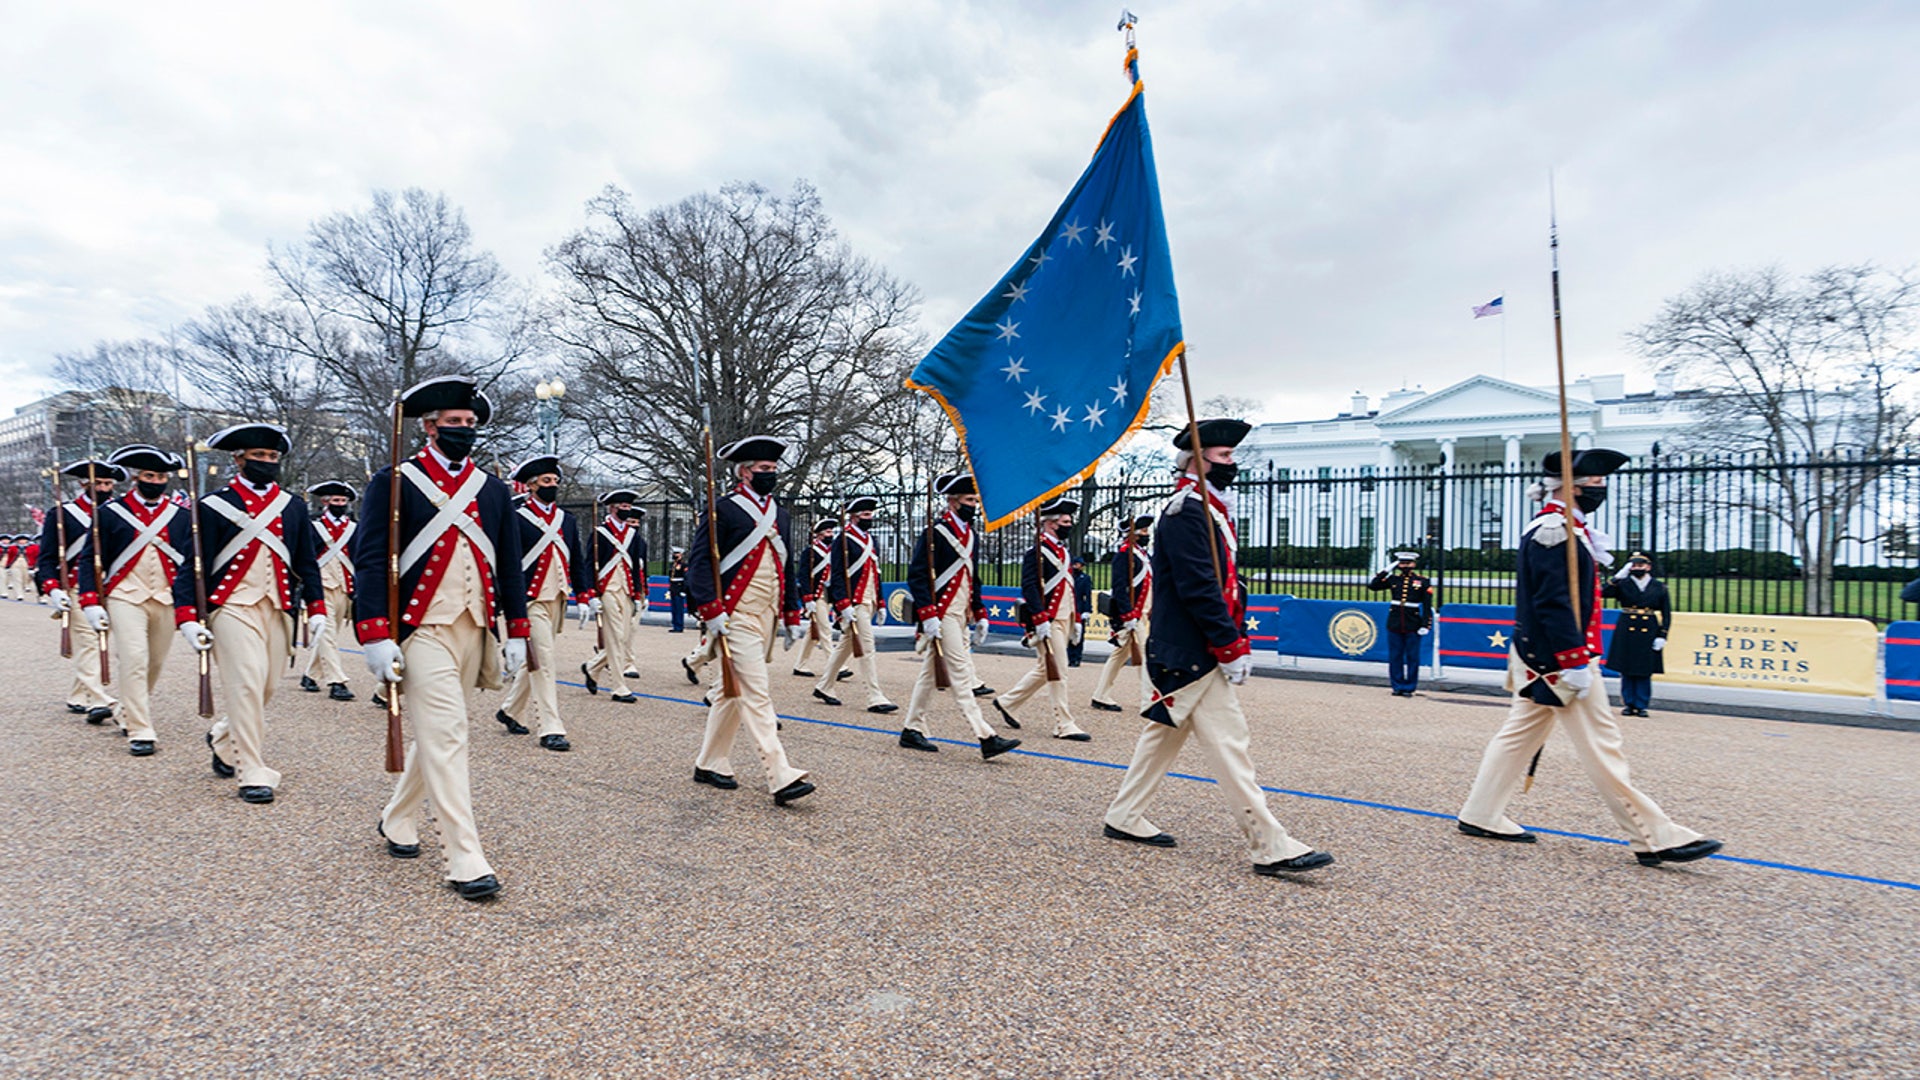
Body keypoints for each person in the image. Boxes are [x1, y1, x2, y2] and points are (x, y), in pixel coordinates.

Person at [1456, 449, 1722, 868]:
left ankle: (1481, 813)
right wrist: (1574, 660)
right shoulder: (1555, 532)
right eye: (1594, 485)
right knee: (1603, 746)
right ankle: (1654, 836)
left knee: (1518, 737)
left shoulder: (1568, 529)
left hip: (1543, 657)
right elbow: (1554, 604)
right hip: (1559, 661)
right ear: (1569, 487)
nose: (1600, 491)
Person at [1104, 418, 1332, 876]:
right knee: (1231, 743)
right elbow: (1199, 588)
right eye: (1224, 456)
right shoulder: (1186, 511)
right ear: (1197, 459)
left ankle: (1124, 814)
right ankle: (1269, 844)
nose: (1232, 463)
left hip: (1190, 646)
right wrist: (1229, 645)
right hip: (1194, 650)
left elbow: (1221, 582)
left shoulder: (1206, 509)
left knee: (1163, 736)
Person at [355, 375, 528, 901]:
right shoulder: (394, 481)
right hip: (420, 627)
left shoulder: (493, 489)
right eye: (454, 423)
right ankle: (464, 855)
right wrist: (375, 635)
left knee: (439, 733)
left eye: (470, 424)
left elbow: (509, 566)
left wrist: (517, 630)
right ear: (429, 427)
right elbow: (369, 559)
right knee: (450, 734)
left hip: (474, 627)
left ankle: (397, 814)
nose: (464, 431)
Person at [170, 424, 327, 804]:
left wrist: (317, 607)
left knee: (267, 686)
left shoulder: (291, 506)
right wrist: (188, 616)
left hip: (278, 606)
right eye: (259, 457)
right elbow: (194, 564)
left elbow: (305, 560)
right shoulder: (211, 506)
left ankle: (224, 736)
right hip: (231, 605)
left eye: (272, 458)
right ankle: (251, 770)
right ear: (239, 459)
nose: (267, 463)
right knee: (245, 684)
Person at [685, 435, 814, 805]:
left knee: (731, 692)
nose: (770, 475)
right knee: (758, 693)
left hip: (767, 615)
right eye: (763, 470)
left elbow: (784, 566)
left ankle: (710, 761)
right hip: (734, 614)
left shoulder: (781, 514)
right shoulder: (722, 510)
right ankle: (780, 774)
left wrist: (791, 613)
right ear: (744, 473)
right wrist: (711, 610)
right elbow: (700, 565)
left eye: (773, 470)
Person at [899, 472, 1021, 759]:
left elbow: (972, 577)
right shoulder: (935, 532)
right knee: (961, 671)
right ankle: (985, 735)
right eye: (969, 500)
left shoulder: (970, 534)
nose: (974, 505)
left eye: (976, 500)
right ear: (952, 502)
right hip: (941, 613)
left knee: (930, 674)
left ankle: (911, 729)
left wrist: (980, 612)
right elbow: (917, 577)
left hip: (960, 612)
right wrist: (927, 614)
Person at [74, 445, 185, 755]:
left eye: (161, 476)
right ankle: (140, 727)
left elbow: (189, 562)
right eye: (150, 475)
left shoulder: (181, 516)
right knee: (134, 658)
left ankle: (126, 708)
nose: (156, 481)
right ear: (136, 477)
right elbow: (90, 560)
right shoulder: (110, 513)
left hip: (165, 596)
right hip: (124, 595)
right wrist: (91, 601)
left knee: (155, 662)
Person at [499, 454, 593, 750]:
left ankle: (510, 710)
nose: (552, 485)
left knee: (536, 658)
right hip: (529, 598)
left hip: (557, 597)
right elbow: (507, 561)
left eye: (555, 481)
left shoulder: (567, 519)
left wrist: (585, 595)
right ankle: (550, 726)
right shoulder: (515, 516)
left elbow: (575, 560)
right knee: (546, 659)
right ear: (530, 485)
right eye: (546, 481)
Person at [992, 497, 1091, 742]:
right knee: (1059, 669)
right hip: (1048, 618)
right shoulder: (1036, 551)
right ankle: (1063, 723)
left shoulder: (1062, 551)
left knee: (1045, 669)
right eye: (1065, 521)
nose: (1069, 525)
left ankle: (1007, 702)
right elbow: (1030, 587)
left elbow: (1069, 586)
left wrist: (1076, 618)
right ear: (1051, 523)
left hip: (1064, 616)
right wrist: (1039, 619)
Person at [37, 459, 125, 724]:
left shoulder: (119, 513)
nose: (104, 488)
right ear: (84, 484)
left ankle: (78, 694)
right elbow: (47, 557)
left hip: (110, 587)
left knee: (101, 642)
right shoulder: (62, 514)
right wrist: (52, 589)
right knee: (90, 643)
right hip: (76, 587)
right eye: (98, 483)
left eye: (109, 483)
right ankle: (101, 700)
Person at [813, 497, 898, 714]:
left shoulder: (871, 540)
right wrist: (842, 605)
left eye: (871, 514)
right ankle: (874, 696)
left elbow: (875, 573)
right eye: (866, 515)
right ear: (854, 516)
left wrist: (880, 602)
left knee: (845, 646)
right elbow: (838, 576)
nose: (870, 518)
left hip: (868, 600)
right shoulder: (843, 540)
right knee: (867, 647)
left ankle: (824, 686)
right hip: (854, 602)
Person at [581, 489, 645, 704]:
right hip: (607, 589)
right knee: (616, 636)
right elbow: (589, 565)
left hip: (626, 590)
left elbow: (636, 567)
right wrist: (591, 594)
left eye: (628, 506)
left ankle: (592, 667)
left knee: (623, 638)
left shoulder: (632, 535)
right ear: (612, 508)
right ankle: (618, 686)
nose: (626, 510)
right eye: (622, 506)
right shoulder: (599, 533)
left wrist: (637, 593)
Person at [301, 480, 359, 701]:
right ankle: (337, 681)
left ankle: (310, 675)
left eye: (343, 501)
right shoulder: (312, 526)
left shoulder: (354, 528)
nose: (340, 504)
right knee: (326, 632)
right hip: (320, 584)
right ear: (325, 502)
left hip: (345, 585)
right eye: (336, 500)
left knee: (330, 635)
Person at [1090, 515, 1154, 713]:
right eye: (1142, 531)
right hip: (1132, 615)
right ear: (1131, 534)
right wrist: (1128, 616)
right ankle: (1149, 700)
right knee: (1144, 655)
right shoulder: (1124, 555)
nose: (1146, 534)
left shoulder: (1142, 555)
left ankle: (1100, 695)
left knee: (1118, 656)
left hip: (1142, 613)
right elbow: (1119, 588)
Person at [1604, 552, 1672, 717]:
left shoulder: (1659, 586)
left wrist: (1662, 635)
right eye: (1633, 566)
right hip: (1627, 626)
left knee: (1644, 668)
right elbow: (1601, 592)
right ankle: (1629, 703)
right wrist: (1617, 577)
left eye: (1640, 565)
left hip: (1648, 627)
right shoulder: (1623, 584)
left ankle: (1641, 704)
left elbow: (1666, 613)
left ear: (1648, 567)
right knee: (1627, 667)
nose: (1637, 568)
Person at [1366, 550, 1433, 697]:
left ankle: (1409, 687)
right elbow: (1373, 586)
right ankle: (1397, 685)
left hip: (1413, 622)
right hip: (1395, 622)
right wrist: (1386, 570)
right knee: (1395, 656)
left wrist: (1425, 624)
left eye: (1407, 563)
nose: (1404, 566)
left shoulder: (1423, 581)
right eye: (1402, 563)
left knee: (1412, 657)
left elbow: (1427, 606)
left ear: (1414, 564)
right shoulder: (1393, 579)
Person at [790, 518, 838, 677]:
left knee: (813, 633)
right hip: (815, 596)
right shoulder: (809, 552)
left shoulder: (833, 552)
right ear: (818, 535)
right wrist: (807, 599)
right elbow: (802, 576)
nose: (831, 534)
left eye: (832, 531)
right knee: (825, 630)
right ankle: (836, 667)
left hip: (828, 595)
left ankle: (800, 665)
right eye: (828, 532)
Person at [1067, 556, 1093, 667]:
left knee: (1079, 634)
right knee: (1068, 634)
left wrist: (1087, 610)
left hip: (1079, 608)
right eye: (1075, 564)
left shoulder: (1085, 578)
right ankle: (1069, 657)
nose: (1076, 566)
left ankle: (1077, 657)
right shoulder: (1068, 577)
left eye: (1079, 564)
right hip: (1069, 608)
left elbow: (1087, 595)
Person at [668, 547, 689, 633]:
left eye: (676, 553)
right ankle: (675, 624)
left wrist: (683, 590)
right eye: (674, 553)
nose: (674, 555)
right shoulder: (673, 565)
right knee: (674, 608)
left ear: (681, 555)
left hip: (679, 587)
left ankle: (679, 626)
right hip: (673, 587)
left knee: (679, 608)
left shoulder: (684, 565)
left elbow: (686, 577)